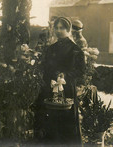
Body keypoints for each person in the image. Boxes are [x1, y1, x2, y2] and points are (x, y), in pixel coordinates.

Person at [34, 17, 85, 146]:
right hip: (50, 89)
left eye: (61, 28)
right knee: (51, 122)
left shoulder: (75, 50)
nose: (58, 30)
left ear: (68, 30)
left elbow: (80, 71)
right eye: (56, 28)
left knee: (66, 124)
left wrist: (65, 76)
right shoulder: (51, 49)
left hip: (66, 90)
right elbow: (46, 69)